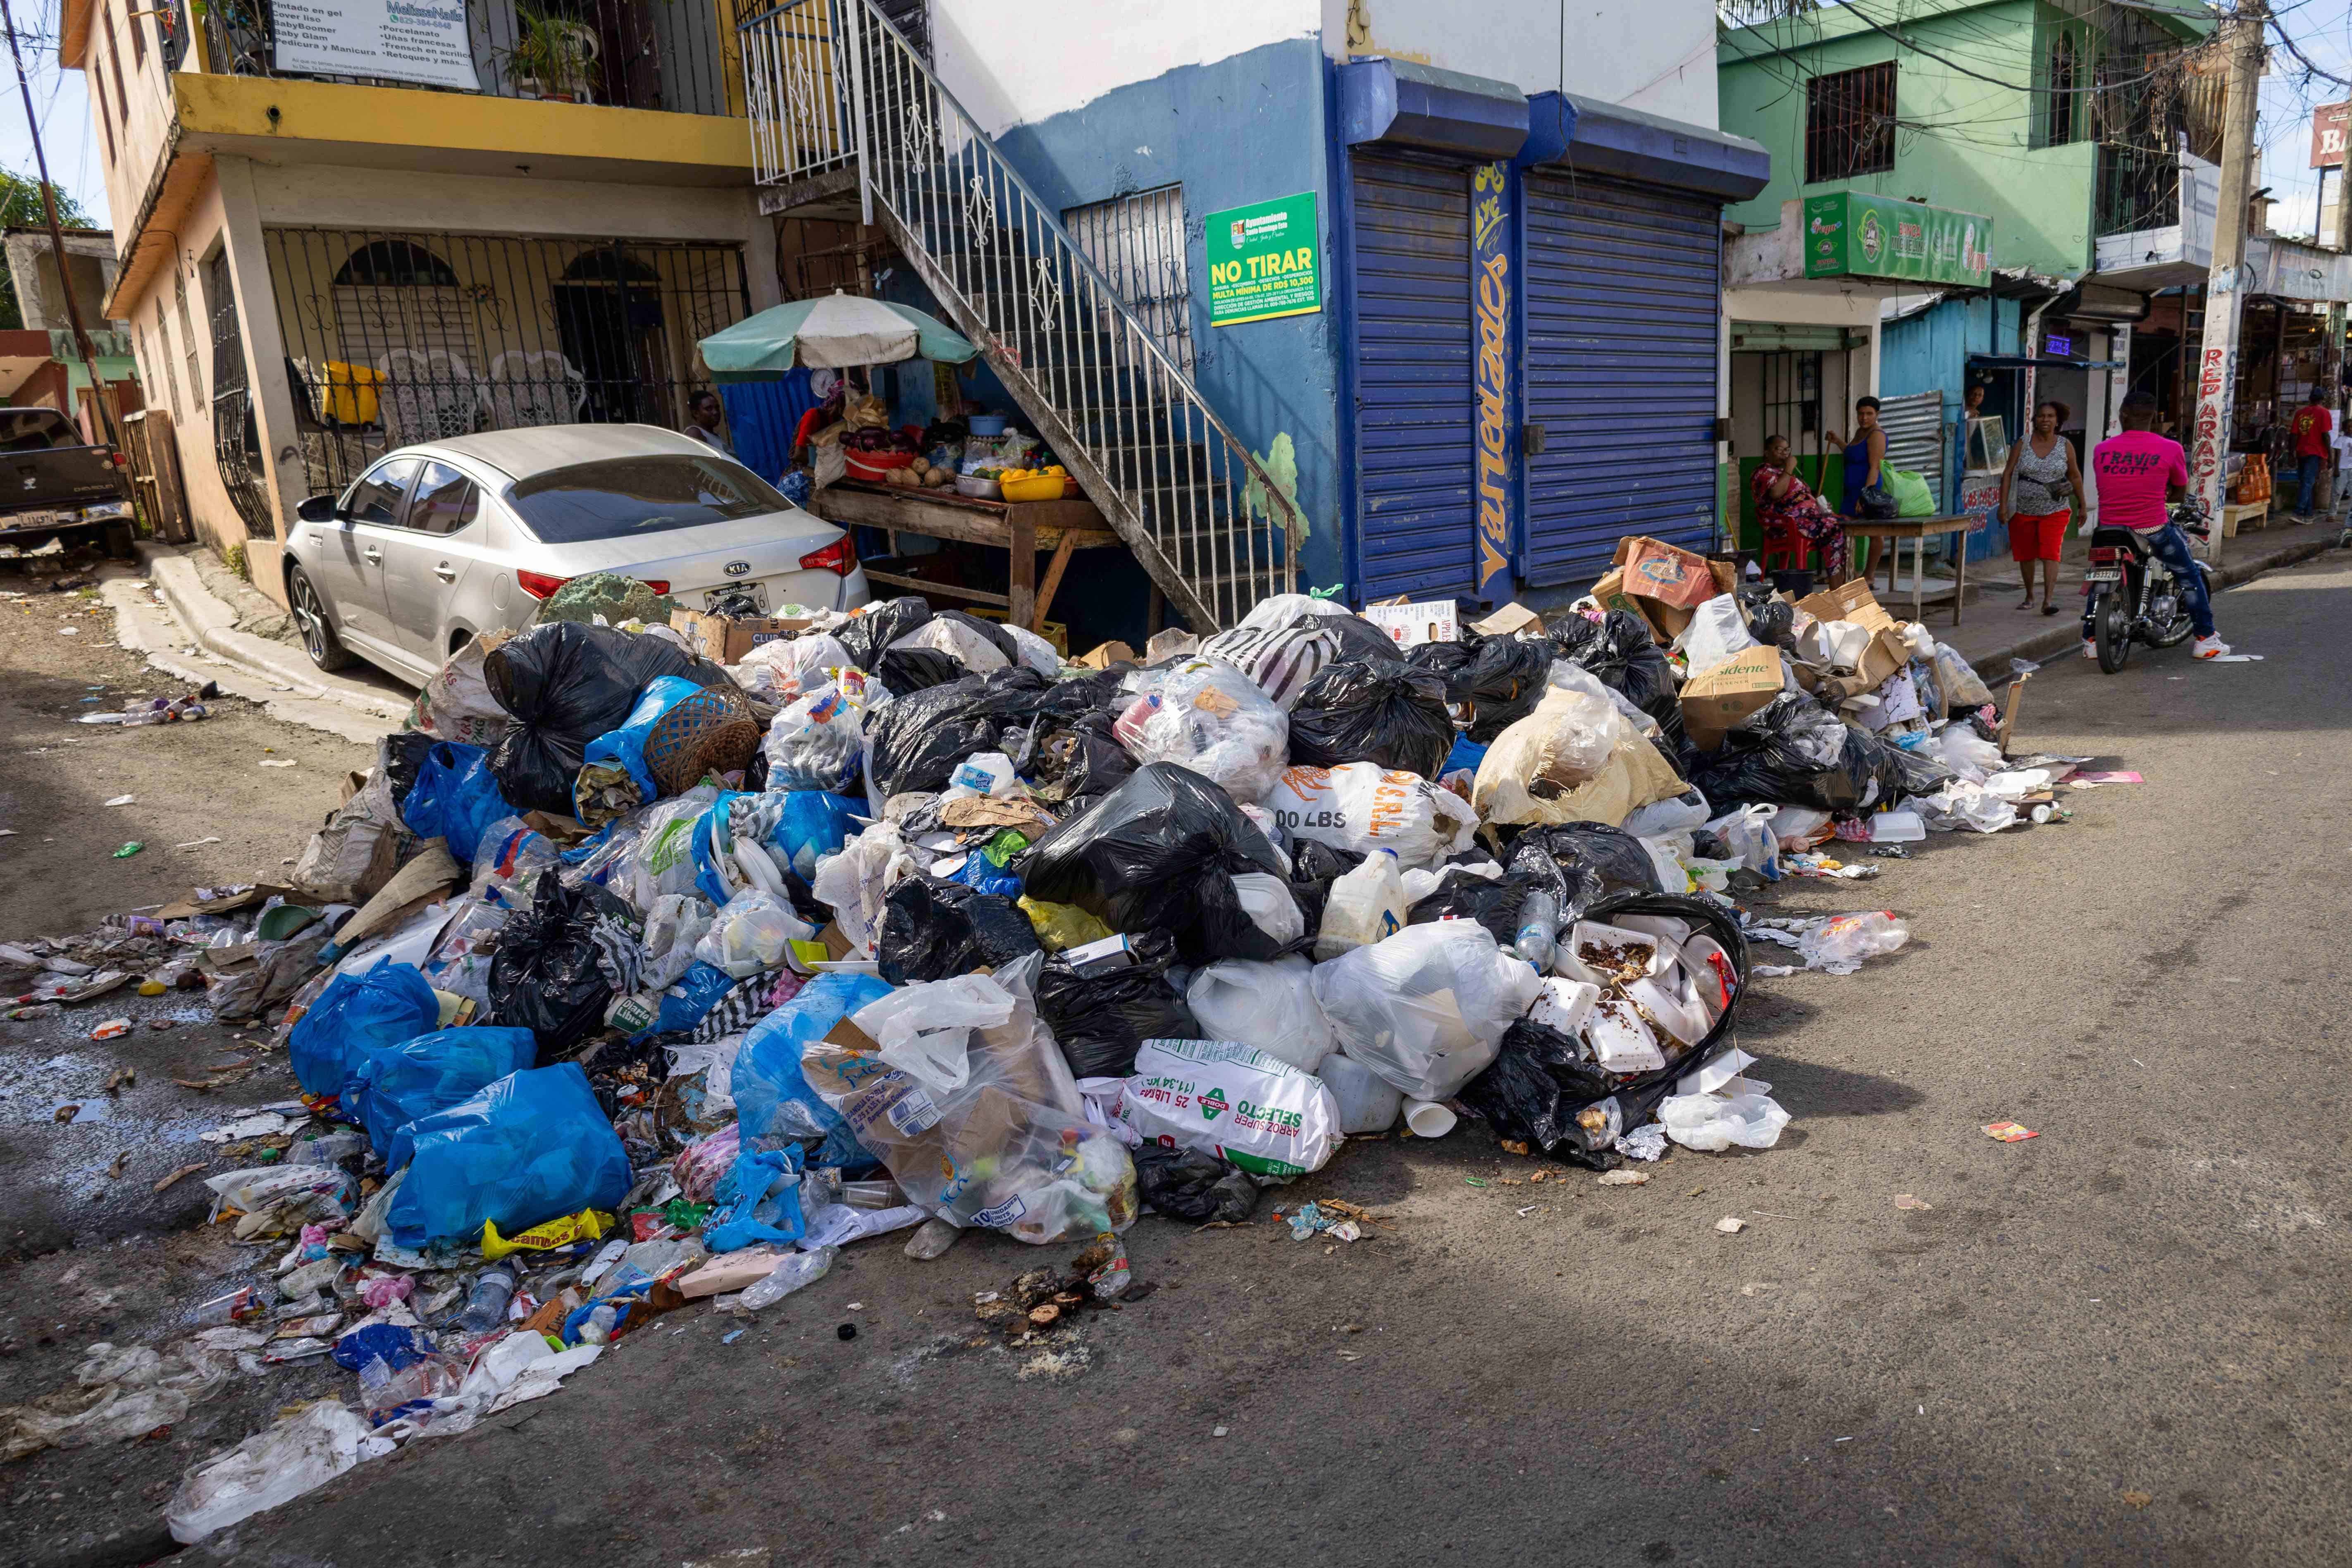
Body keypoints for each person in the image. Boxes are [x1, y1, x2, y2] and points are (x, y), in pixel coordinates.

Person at [2087, 390, 2228, 659]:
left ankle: (2091, 640)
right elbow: (2177, 493)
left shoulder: (2102, 449)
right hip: (2152, 529)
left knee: (2100, 575)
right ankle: (2206, 639)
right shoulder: (2171, 448)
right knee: (2189, 575)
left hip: (2108, 531)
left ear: (2122, 416)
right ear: (2153, 418)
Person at [1999, 399, 2081, 615]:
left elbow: (2074, 475)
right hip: (2023, 510)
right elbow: (2008, 473)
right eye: (2041, 416)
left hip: (2055, 509)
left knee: (2050, 553)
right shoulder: (2023, 443)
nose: (2046, 420)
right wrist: (2003, 506)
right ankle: (2029, 596)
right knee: (2026, 555)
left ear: (2057, 421)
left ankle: (2048, 600)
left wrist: (2082, 504)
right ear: (2034, 419)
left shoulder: (2065, 445)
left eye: (2051, 416)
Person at [1750, 434, 1848, 583]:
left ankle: (1843, 582)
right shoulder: (1763, 472)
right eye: (1779, 450)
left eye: (1787, 450)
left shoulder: (1780, 473)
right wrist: (1789, 468)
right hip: (1786, 526)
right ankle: (1836, 585)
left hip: (1806, 520)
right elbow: (1776, 494)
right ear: (1767, 453)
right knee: (1834, 528)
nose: (1784, 454)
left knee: (1847, 524)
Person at [1823, 396, 1887, 576]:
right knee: (1845, 531)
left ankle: (1869, 576)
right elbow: (1853, 454)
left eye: (1869, 414)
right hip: (1851, 492)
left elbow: (1874, 467)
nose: (1864, 418)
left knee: (1874, 533)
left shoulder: (1877, 435)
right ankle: (1844, 574)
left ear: (1877, 414)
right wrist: (1838, 442)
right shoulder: (1861, 432)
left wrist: (1865, 496)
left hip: (1867, 490)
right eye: (1861, 414)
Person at [2290, 388, 2334, 518]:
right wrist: (2330, 456)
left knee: (2305, 482)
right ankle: (2299, 511)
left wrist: (2292, 453)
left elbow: (2294, 435)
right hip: (2315, 452)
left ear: (2310, 399)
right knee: (2308, 482)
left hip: (2301, 451)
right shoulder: (2324, 413)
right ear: (2322, 399)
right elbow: (2326, 435)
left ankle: (2308, 514)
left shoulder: (2300, 413)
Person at [683, 390, 734, 458]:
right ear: (696, 413)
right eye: (709, 409)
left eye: (717, 408)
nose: (715, 412)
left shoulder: (715, 436)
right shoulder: (695, 433)